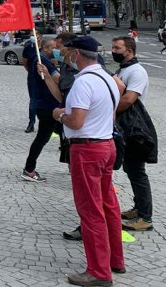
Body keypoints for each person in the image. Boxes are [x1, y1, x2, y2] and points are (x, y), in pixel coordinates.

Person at [51, 36, 124, 286]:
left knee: (90, 210)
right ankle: (116, 259)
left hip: (87, 148)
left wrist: (60, 115)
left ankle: (99, 272)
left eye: (68, 51)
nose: (65, 55)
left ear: (76, 54)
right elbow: (112, 109)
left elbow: (76, 121)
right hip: (106, 144)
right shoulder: (109, 78)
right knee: (108, 204)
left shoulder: (83, 83)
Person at [113, 36, 154, 232]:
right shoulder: (124, 69)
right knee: (131, 169)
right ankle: (138, 208)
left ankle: (145, 217)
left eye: (117, 47)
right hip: (126, 127)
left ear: (128, 50)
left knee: (137, 172)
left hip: (134, 128)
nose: (113, 50)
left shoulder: (137, 71)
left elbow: (128, 99)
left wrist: (109, 113)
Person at [21, 37, 61, 182]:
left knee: (64, 135)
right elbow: (58, 79)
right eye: (52, 48)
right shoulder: (42, 60)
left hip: (51, 104)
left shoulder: (46, 60)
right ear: (44, 48)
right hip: (47, 105)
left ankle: (71, 163)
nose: (56, 50)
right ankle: (29, 169)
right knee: (43, 137)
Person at [22, 32, 43, 133]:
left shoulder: (45, 49)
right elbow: (25, 63)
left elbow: (53, 63)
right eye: (31, 35)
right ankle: (31, 123)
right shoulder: (28, 49)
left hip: (45, 78)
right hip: (32, 78)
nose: (33, 37)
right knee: (33, 101)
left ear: (40, 37)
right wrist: (32, 72)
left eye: (34, 35)